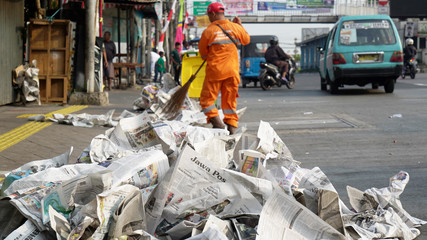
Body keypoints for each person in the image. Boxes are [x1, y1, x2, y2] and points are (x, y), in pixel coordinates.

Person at [199, 2, 250, 134]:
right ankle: (232, 131)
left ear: (214, 14)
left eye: (209, 15)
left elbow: (203, 55)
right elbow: (246, 40)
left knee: (207, 100)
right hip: (232, 71)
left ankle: (218, 124)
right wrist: (240, 25)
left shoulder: (208, 31)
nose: (209, 17)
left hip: (215, 72)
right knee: (229, 104)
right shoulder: (235, 27)